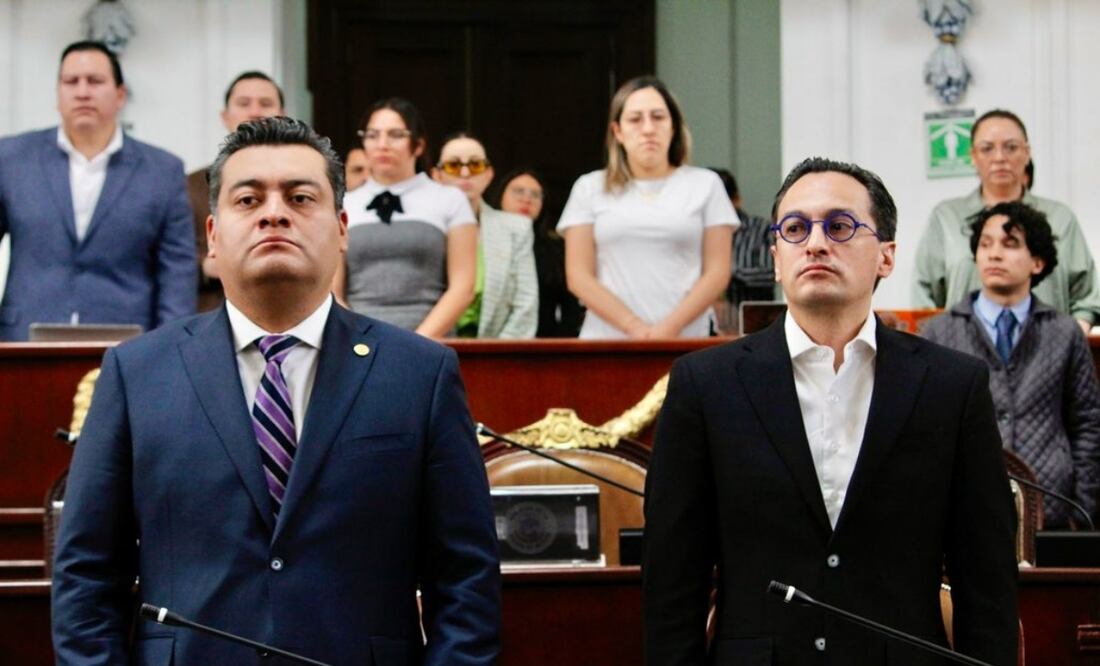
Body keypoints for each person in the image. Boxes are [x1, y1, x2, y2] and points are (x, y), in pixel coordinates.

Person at [51, 117, 501, 664]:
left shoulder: (418, 374)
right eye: (248, 200)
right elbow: (87, 577)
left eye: (300, 198)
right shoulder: (136, 374)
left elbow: (465, 579)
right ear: (213, 237)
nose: (274, 213)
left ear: (342, 229)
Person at [644, 157, 1018, 664]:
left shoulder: (952, 386)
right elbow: (672, 579)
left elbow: (986, 577)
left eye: (840, 227)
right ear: (776, 259)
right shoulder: (706, 385)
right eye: (795, 229)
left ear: (886, 256)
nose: (815, 243)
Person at [0, 40, 195, 340]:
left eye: (95, 81)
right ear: (58, 93)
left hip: (128, 343)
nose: (82, 92)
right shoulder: (12, 158)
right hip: (24, 337)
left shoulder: (162, 171)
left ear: (120, 95)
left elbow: (177, 272)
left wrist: (170, 346)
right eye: (71, 81)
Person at [923, 201, 1100, 527]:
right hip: (964, 512)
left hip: (1052, 509)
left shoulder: (1064, 333)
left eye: (1010, 244)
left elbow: (1088, 425)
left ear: (1037, 262)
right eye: (985, 244)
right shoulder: (939, 331)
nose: (994, 254)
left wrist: (1080, 511)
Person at [558, 76, 737, 339]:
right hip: (606, 341)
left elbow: (718, 272)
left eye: (658, 117)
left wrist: (668, 329)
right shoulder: (588, 187)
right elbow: (578, 276)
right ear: (617, 131)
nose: (648, 128)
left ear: (673, 127)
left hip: (685, 341)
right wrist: (635, 327)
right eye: (635, 119)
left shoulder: (706, 184)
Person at [913, 108, 1100, 332]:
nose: (1000, 158)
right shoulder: (946, 218)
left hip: (1047, 346)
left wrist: (1071, 337)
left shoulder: (1060, 218)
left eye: (1011, 147)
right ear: (973, 156)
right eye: (987, 148)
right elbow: (924, 297)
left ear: (1027, 153)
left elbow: (1088, 296)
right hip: (961, 348)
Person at [338, 98, 477, 337]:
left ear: (418, 145)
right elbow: (332, 291)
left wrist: (415, 345)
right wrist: (362, 342)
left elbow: (463, 287)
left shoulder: (450, 199)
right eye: (372, 135)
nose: (382, 144)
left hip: (431, 342)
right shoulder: (343, 204)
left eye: (395, 135)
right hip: (357, 341)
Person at [187, 71, 285, 311]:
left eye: (266, 104)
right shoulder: (190, 186)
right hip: (211, 310)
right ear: (225, 116)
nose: (255, 112)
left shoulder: (303, 183)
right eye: (244, 103)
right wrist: (204, 266)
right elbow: (166, 257)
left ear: (282, 115)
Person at [430, 133, 537, 338]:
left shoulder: (516, 228)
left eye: (475, 165)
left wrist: (493, 355)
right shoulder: (421, 229)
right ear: (437, 175)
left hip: (496, 351)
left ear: (488, 174)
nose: (465, 173)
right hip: (428, 347)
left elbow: (525, 308)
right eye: (453, 165)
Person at [497, 168, 585, 337]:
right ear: (500, 196)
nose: (526, 199)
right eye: (518, 191)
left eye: (536, 195)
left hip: (544, 343)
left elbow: (571, 309)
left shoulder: (555, 249)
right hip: (488, 340)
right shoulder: (479, 240)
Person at [709, 167, 775, 334]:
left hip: (754, 329)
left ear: (736, 200)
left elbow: (773, 273)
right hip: (702, 331)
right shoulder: (694, 234)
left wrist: (723, 271)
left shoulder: (761, 229)